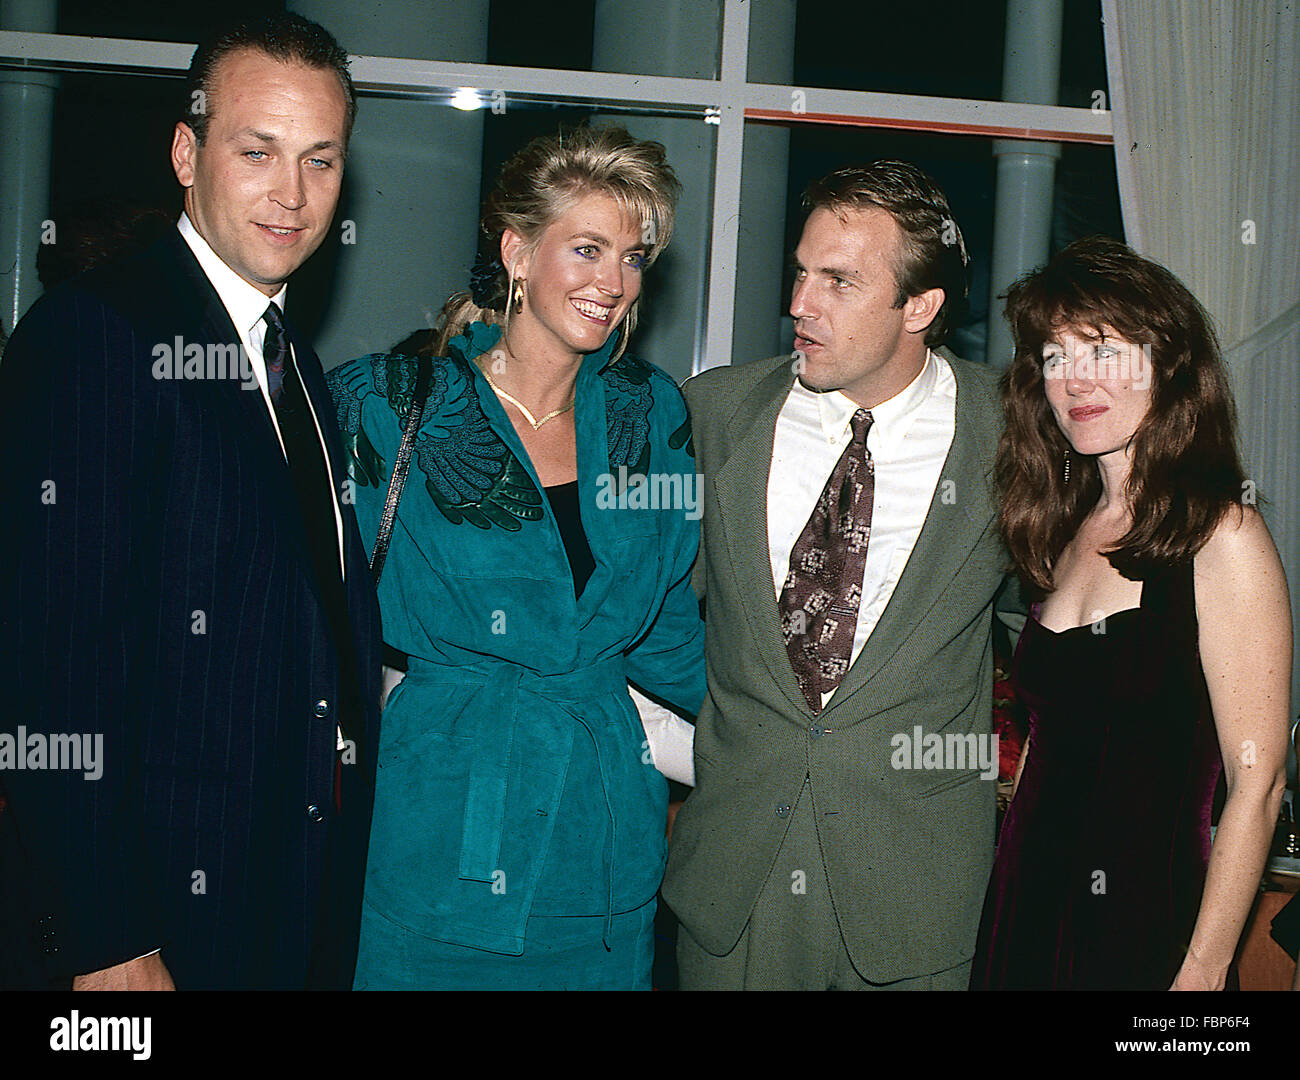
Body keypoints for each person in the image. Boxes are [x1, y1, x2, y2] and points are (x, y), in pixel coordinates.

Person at [0, 13, 382, 990]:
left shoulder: (294, 364)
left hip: (273, 901)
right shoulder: (97, 335)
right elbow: (50, 670)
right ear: (186, 151)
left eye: (320, 160)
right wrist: (106, 937)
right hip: (149, 923)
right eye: (257, 152)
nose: (291, 195)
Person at [326, 124, 705, 990]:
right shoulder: (388, 406)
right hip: (437, 820)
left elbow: (667, 631)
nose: (612, 283)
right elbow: (301, 608)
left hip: (605, 841)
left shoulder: (653, 419)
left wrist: (787, 733)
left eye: (635, 257)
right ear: (518, 251)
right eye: (587, 248)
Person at [662, 161, 1020, 990]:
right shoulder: (712, 414)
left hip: (918, 896)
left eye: (838, 281)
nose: (798, 304)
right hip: (734, 885)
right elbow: (654, 619)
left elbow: (1043, 624)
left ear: (920, 308)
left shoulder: (1014, 436)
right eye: (799, 272)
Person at [971, 236, 1292, 990]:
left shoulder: (1224, 535)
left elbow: (1261, 782)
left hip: (1148, 922)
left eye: (1103, 350)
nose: (1072, 380)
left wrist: (1205, 970)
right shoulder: (1065, 528)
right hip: (1026, 895)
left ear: (1169, 364)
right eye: (1053, 355)